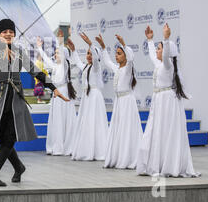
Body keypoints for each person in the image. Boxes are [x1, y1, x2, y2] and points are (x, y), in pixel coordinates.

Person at [0, 19, 70, 187]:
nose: (8, 34)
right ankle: (19, 167)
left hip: (15, 99)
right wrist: (1, 46)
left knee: (10, 137)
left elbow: (35, 71)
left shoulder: (19, 51)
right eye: (4, 31)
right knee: (2, 138)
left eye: (11, 31)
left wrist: (53, 87)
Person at [136, 24, 200, 177]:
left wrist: (166, 38)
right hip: (159, 102)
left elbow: (164, 56)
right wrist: (150, 41)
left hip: (167, 103)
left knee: (165, 132)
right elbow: (153, 56)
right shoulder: (159, 64)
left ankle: (167, 163)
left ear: (166, 51)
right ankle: (158, 161)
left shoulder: (168, 64)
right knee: (156, 132)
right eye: (158, 48)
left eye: (160, 48)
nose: (158, 51)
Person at [96, 33, 143, 169]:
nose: (117, 56)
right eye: (116, 53)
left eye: (119, 53)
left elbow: (131, 58)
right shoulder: (117, 68)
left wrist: (124, 43)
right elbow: (107, 61)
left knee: (127, 129)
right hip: (119, 103)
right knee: (118, 129)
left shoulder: (128, 68)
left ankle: (128, 157)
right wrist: (103, 46)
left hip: (127, 102)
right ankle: (118, 156)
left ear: (125, 56)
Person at [69, 33, 109, 161]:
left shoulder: (96, 67)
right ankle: (86, 148)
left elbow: (96, 58)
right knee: (86, 122)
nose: (89, 56)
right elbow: (78, 62)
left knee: (94, 122)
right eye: (87, 53)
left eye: (91, 53)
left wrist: (91, 44)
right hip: (87, 98)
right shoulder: (86, 67)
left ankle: (97, 150)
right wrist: (74, 50)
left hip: (94, 97)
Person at [36, 37, 77, 156]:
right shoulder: (55, 66)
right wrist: (39, 47)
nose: (55, 55)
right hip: (56, 95)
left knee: (63, 120)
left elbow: (66, 58)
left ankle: (65, 146)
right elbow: (45, 59)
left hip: (63, 93)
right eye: (55, 53)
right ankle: (56, 145)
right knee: (57, 120)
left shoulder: (65, 65)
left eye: (58, 53)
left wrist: (64, 46)